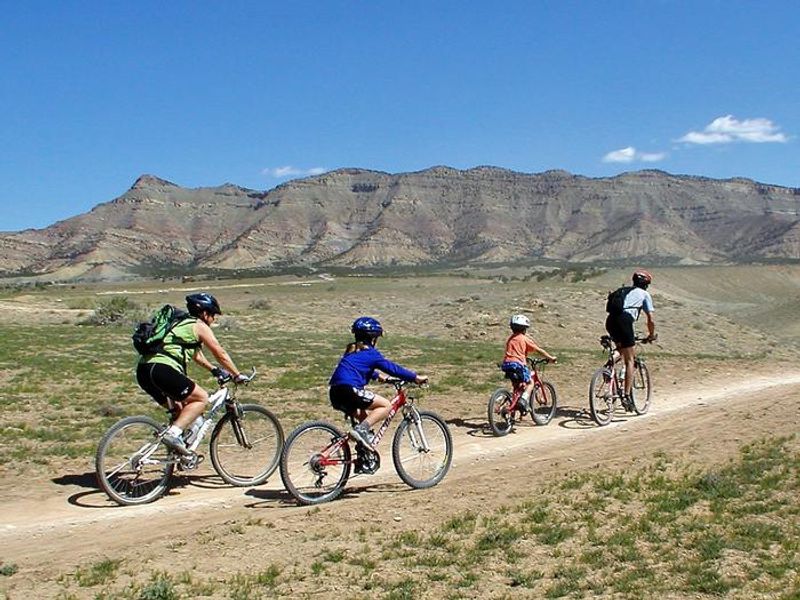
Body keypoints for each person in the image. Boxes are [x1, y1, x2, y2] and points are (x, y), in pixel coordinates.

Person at [136, 292, 248, 455]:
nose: (213, 319)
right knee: (201, 398)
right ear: (204, 313)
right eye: (213, 315)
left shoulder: (180, 324)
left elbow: (195, 355)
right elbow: (219, 353)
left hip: (144, 371)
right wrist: (237, 374)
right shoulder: (199, 326)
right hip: (162, 369)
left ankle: (177, 453)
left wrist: (214, 370)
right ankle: (173, 435)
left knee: (181, 410)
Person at [329, 316, 428, 449]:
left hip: (335, 392)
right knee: (386, 406)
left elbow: (359, 368)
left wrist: (378, 376)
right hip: (350, 390)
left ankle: (363, 454)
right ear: (373, 338)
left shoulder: (352, 351)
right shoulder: (372, 354)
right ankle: (361, 431)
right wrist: (414, 377)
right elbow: (393, 369)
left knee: (364, 418)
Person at [605, 270, 656, 410]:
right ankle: (627, 396)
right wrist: (651, 335)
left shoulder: (623, 290)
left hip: (610, 321)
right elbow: (650, 319)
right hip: (624, 321)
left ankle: (609, 365)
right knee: (630, 360)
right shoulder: (644, 294)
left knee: (621, 350)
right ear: (646, 284)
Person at [500, 314, 557, 414]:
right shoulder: (524, 338)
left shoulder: (510, 339)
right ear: (524, 329)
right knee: (530, 382)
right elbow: (538, 350)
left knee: (517, 386)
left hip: (507, 365)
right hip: (518, 364)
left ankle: (513, 410)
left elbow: (516, 352)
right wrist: (550, 358)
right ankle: (523, 401)